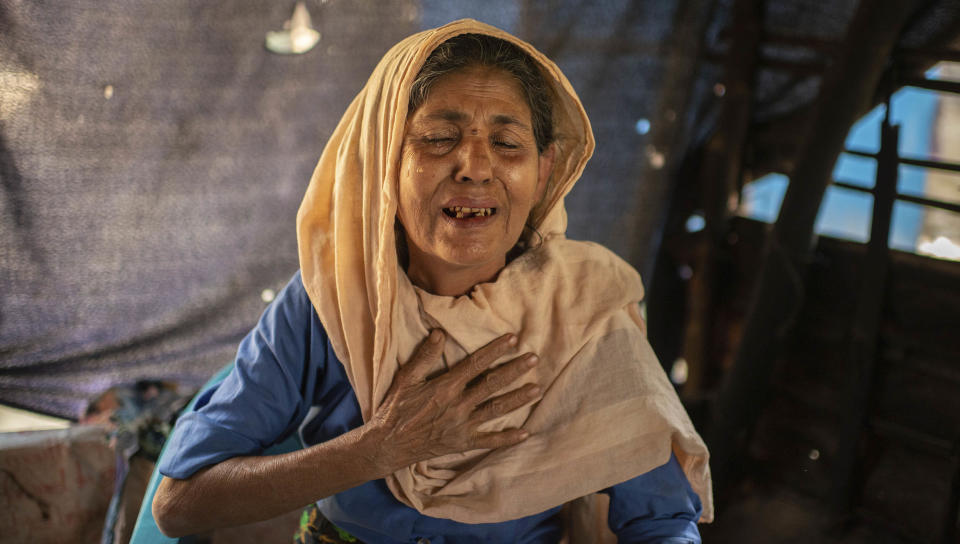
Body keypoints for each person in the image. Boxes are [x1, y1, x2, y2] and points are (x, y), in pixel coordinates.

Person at [152, 19, 713, 543]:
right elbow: (179, 503)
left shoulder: (587, 309)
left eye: (508, 144)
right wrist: (379, 448)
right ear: (384, 165)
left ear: (543, 172)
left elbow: (663, 522)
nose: (474, 166)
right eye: (440, 138)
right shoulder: (335, 298)